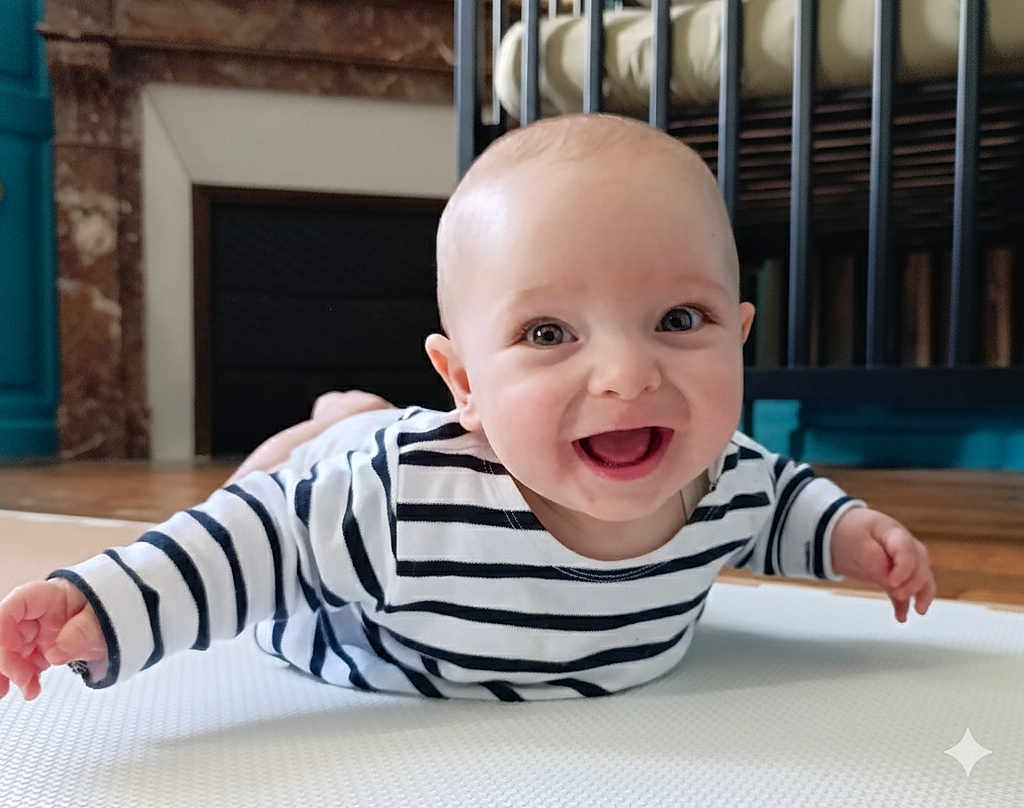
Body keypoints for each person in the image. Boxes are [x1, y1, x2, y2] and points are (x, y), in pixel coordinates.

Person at [0, 114, 935, 704]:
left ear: (738, 333)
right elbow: (251, 545)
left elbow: (783, 508)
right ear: (465, 383)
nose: (625, 375)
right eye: (547, 334)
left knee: (355, 431)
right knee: (304, 462)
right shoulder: (400, 504)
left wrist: (858, 539)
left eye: (677, 319)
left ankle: (357, 406)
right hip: (343, 558)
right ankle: (336, 417)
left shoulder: (722, 471)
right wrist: (104, 606)